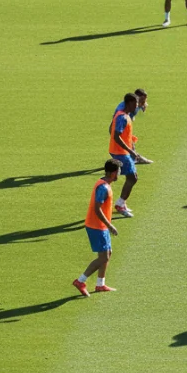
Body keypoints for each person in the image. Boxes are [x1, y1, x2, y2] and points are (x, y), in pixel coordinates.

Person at [72, 158, 122, 297]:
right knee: (103, 257)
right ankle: (80, 281)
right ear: (113, 173)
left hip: (99, 226)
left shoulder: (103, 183)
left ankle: (100, 284)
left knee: (108, 253)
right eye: (118, 171)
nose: (119, 174)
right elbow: (97, 209)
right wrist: (109, 225)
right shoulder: (103, 188)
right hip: (97, 226)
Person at [109, 93, 145, 218]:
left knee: (129, 177)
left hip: (119, 151)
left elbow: (113, 130)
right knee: (132, 177)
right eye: (135, 103)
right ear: (129, 103)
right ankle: (119, 204)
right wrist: (130, 150)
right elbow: (116, 136)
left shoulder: (124, 115)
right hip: (120, 152)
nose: (137, 106)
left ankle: (119, 202)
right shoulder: (122, 117)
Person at [112, 88, 151, 165]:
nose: (143, 102)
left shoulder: (139, 104)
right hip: (120, 127)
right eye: (142, 100)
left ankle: (134, 158)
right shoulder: (122, 109)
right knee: (128, 143)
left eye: (145, 100)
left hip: (126, 126)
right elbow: (116, 121)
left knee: (130, 143)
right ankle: (134, 158)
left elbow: (142, 106)